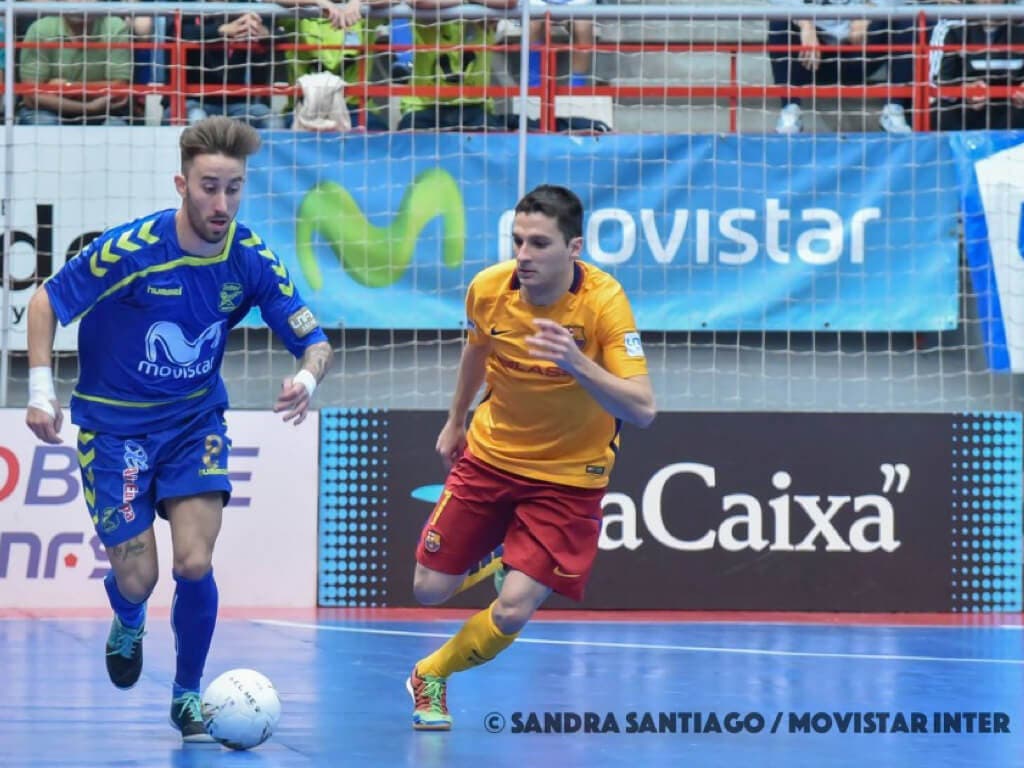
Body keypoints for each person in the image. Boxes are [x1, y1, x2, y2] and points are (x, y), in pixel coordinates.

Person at [24, 116, 333, 742]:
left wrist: (307, 380)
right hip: (113, 430)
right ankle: (129, 614)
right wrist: (39, 391)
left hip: (194, 421)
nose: (222, 204)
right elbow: (46, 302)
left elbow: (313, 339)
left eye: (235, 189)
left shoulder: (249, 259)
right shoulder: (130, 250)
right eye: (209, 187)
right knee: (138, 578)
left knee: (194, 562)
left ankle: (187, 695)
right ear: (181, 184)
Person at [405, 185, 656, 730]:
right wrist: (455, 420)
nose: (523, 255)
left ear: (574, 248)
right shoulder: (489, 290)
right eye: (517, 240)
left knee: (515, 608)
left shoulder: (604, 304)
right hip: (491, 457)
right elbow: (476, 350)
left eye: (539, 243)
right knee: (428, 591)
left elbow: (642, 409)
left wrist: (576, 363)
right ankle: (507, 550)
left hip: (569, 479)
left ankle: (431, 674)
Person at [766, 0, 915, 134]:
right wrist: (805, 22)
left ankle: (894, 111)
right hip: (813, 59)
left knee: (907, 18)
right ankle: (790, 112)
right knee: (779, 21)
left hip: (861, 50)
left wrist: (870, 11)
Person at [397, 0, 517, 131]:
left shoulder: (484, 16)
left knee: (494, 141)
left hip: (474, 107)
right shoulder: (430, 12)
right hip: (424, 107)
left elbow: (510, 2)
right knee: (409, 140)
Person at [17, 2, 133, 125]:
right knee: (44, 123)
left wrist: (67, 87)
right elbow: (31, 97)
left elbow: (118, 91)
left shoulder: (115, 27)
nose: (81, 3)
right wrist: (89, 107)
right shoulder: (40, 29)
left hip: (103, 111)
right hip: (46, 111)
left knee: (115, 127)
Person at [931, 0, 1024, 130]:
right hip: (967, 110)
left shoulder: (1020, 27)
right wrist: (964, 91)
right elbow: (938, 83)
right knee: (940, 111)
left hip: (1015, 109)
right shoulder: (953, 29)